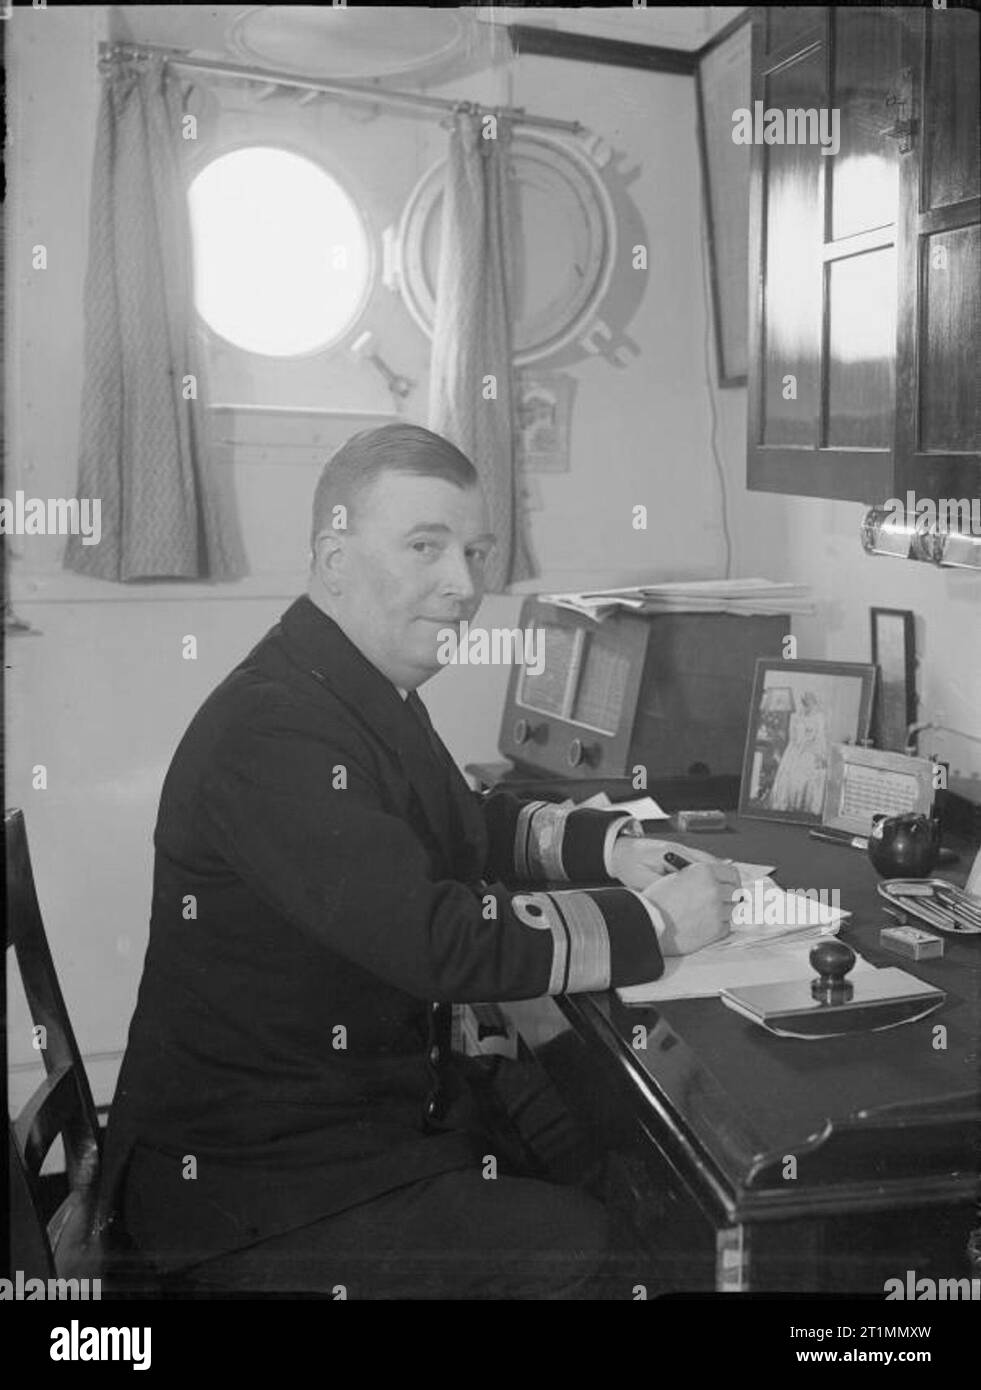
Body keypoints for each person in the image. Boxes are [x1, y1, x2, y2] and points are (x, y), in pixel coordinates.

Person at [99, 424, 738, 1299]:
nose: (465, 586)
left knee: (603, 1142)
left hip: (342, 1121)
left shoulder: (348, 685)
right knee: (598, 1247)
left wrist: (611, 847)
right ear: (332, 558)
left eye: (474, 551)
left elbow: (455, 823)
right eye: (424, 548)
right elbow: (438, 940)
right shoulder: (275, 729)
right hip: (255, 1187)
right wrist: (660, 924)